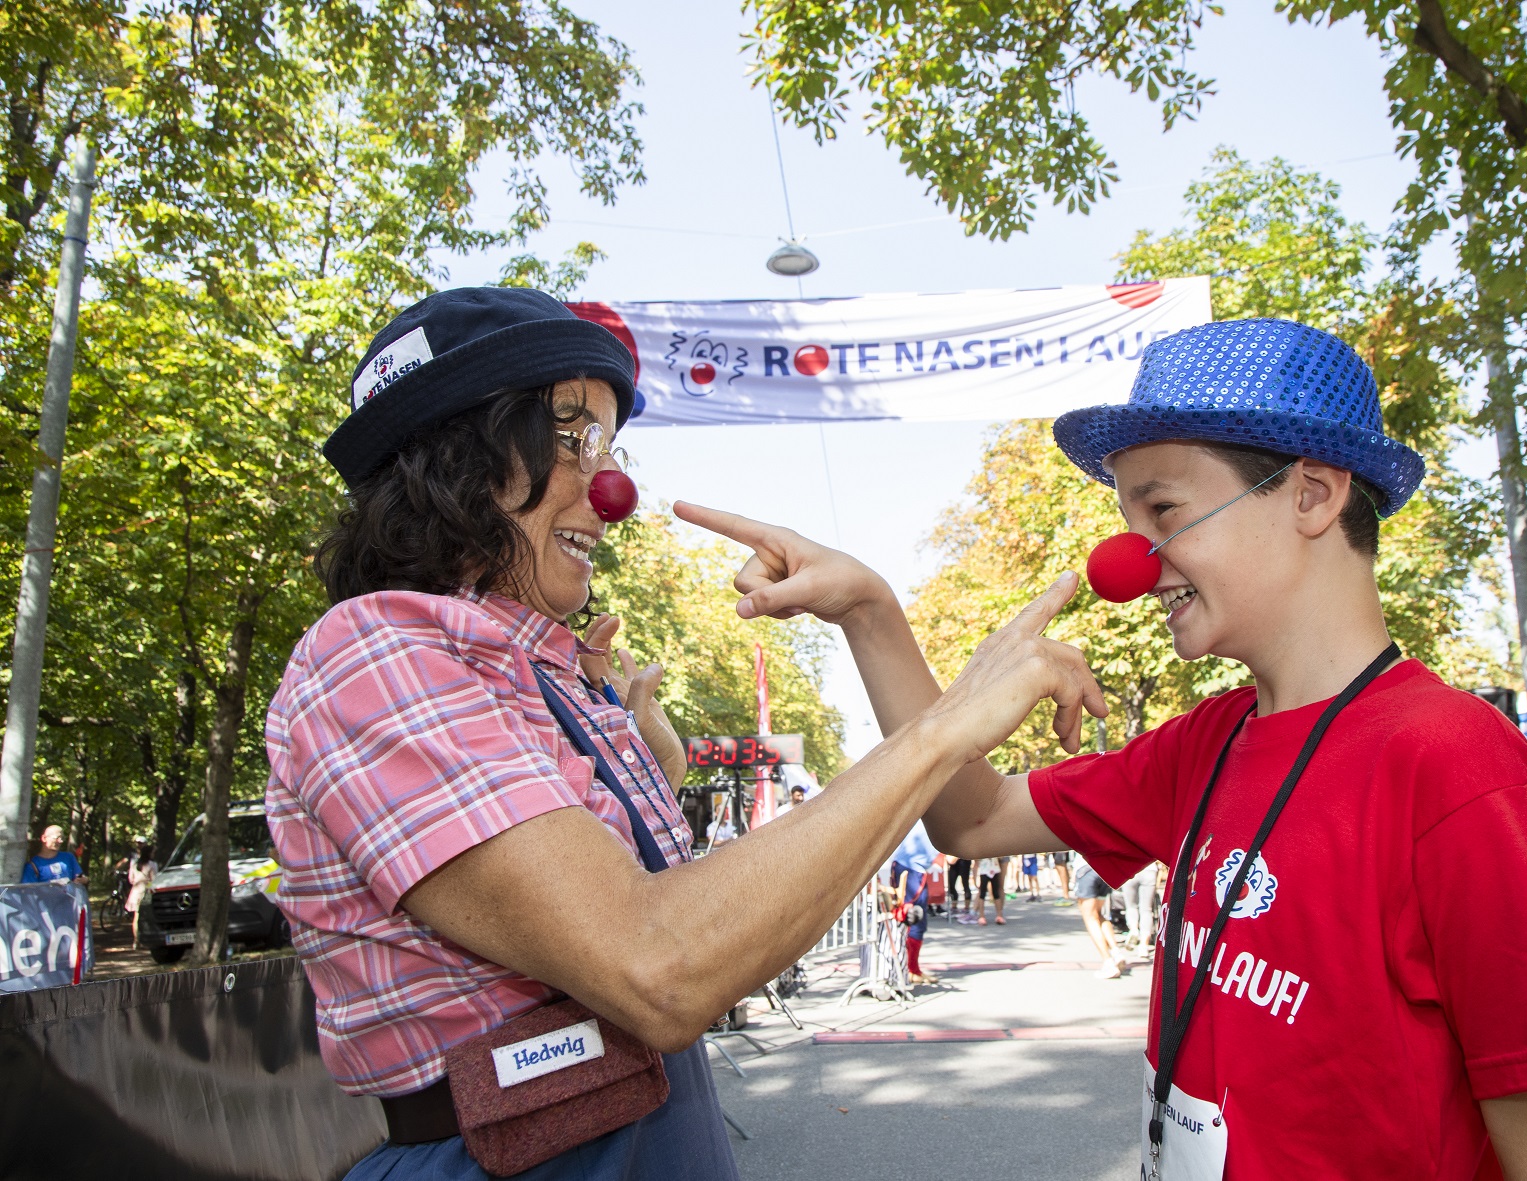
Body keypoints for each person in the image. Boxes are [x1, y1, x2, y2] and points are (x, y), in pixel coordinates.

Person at [698, 318, 1527, 1178]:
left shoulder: (1455, 765)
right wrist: (871, 613)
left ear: (1311, 493)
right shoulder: (1207, 744)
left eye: (1164, 511)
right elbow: (970, 818)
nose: (1128, 563)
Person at [263, 286, 1102, 1181]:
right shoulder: (373, 652)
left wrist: (653, 767)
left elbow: (682, 913)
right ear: (459, 455)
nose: (613, 488)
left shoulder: (545, 667)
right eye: (573, 437)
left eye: (610, 446)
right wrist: (940, 727)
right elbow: (656, 964)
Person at [892, 820, 939, 984]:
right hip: (912, 870)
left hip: (909, 867)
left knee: (913, 920)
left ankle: (911, 969)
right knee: (914, 921)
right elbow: (953, 858)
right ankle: (910, 970)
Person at [1073, 854, 1125, 979]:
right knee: (1099, 914)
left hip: (1086, 869)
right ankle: (1115, 951)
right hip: (1104, 868)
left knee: (1090, 918)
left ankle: (1108, 961)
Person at [20, 825, 86, 885]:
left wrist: (84, 879)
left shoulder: (68, 857)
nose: (60, 841)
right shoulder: (33, 865)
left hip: (69, 898)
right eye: (57, 838)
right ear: (44, 838)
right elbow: (29, 892)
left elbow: (80, 876)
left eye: (62, 838)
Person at [124, 840, 158, 949]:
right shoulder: (152, 865)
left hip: (135, 891)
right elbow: (154, 879)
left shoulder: (134, 865)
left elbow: (131, 879)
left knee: (136, 916)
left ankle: (136, 940)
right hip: (146, 891)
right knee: (147, 915)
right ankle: (147, 938)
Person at [1123, 860, 1160, 957]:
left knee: (1131, 906)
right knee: (1146, 910)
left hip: (1129, 867)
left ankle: (1134, 929)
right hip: (1150, 869)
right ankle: (1144, 945)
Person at [974, 853, 1005, 925]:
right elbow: (976, 859)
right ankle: (981, 916)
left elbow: (1001, 857)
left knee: (996, 893)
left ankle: (999, 915)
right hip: (984, 869)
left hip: (995, 868)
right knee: (982, 893)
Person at [946, 853, 974, 922]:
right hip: (954, 861)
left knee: (965, 884)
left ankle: (966, 908)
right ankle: (954, 906)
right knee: (951, 884)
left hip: (964, 860)